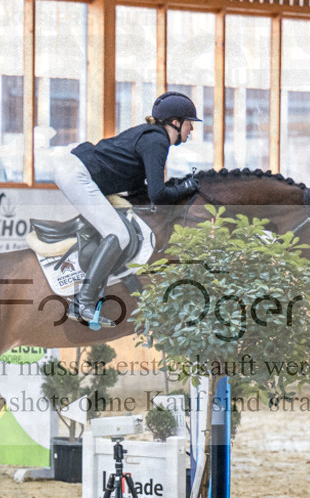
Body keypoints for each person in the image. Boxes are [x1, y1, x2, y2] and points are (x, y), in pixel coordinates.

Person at [53, 91, 202, 327]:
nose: (191, 130)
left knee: (119, 229)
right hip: (77, 173)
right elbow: (157, 195)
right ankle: (83, 301)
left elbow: (139, 192)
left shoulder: (149, 137)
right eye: (189, 124)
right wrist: (184, 187)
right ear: (176, 122)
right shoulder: (157, 140)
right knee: (119, 234)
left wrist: (176, 188)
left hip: (75, 168)